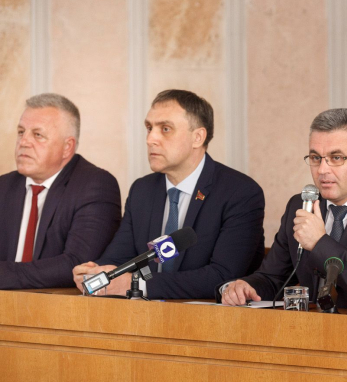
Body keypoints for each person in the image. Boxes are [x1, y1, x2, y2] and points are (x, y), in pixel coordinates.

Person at [220, 108, 347, 313]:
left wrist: (320, 243)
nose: (322, 170)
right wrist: (246, 287)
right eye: (315, 158)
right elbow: (273, 277)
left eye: (336, 158)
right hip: (317, 328)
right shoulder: (301, 205)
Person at [72, 89, 265, 299]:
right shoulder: (142, 190)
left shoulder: (239, 192)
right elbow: (119, 259)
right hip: (144, 314)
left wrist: (137, 284)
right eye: (149, 128)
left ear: (197, 137)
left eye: (165, 129)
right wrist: (94, 273)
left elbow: (223, 276)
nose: (150, 139)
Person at [0, 93, 121, 289]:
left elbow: (77, 265)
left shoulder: (95, 185)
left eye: (37, 135)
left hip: (60, 305)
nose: (24, 142)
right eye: (21, 132)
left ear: (67, 147)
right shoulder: (4, 186)